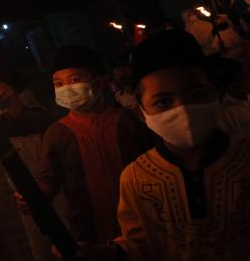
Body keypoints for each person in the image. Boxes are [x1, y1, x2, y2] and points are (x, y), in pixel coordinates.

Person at [105, 29, 250, 261]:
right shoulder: (134, 178)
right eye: (163, 102)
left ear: (217, 95)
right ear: (142, 113)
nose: (183, 109)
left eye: (197, 95)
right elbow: (139, 244)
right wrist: (109, 253)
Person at [17, 45, 155, 254]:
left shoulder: (127, 120)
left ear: (99, 82)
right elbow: (50, 178)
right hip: (88, 229)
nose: (66, 88)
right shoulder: (57, 132)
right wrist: (34, 196)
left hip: (142, 222)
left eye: (74, 80)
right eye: (58, 83)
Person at [0, 67, 62, 261]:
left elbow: (55, 158)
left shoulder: (39, 118)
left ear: (10, 91)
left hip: (55, 193)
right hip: (23, 195)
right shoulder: (0, 123)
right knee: (39, 245)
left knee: (64, 237)